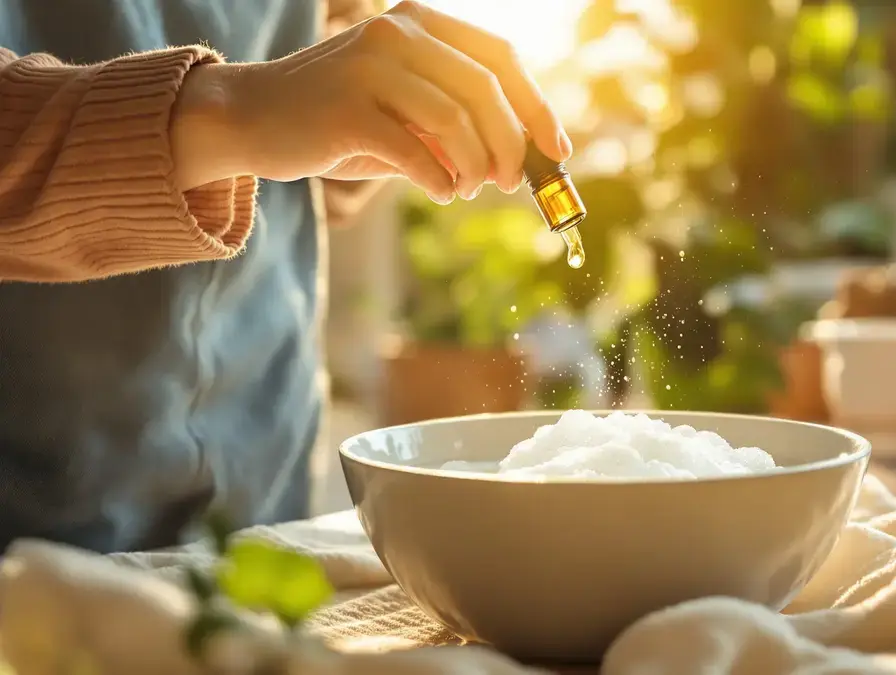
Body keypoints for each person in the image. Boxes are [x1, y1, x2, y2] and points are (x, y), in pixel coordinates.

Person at [0, 0, 571, 552]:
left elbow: (312, 31)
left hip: (266, 484)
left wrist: (384, 99)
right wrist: (235, 109)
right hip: (33, 515)